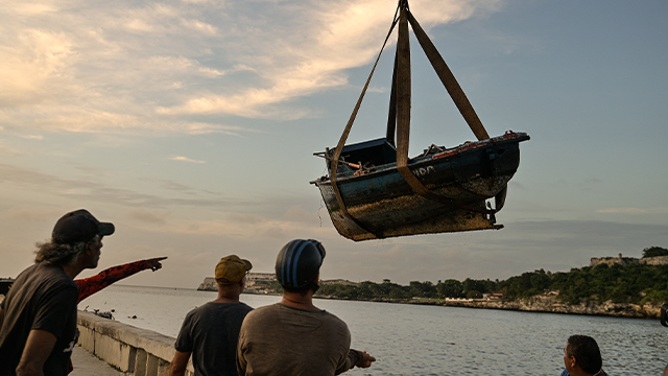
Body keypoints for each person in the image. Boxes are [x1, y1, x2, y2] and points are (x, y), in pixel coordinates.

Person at [0, 209, 115, 376]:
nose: (102, 245)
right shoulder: (63, 288)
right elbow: (29, 368)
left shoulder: (30, 273)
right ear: (88, 247)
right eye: (99, 240)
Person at [236, 239, 376, 376]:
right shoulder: (337, 330)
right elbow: (335, 364)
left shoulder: (253, 321)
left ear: (279, 277)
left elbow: (242, 368)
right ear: (315, 279)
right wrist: (357, 357)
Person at [169, 255, 254, 376]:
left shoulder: (195, 316)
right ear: (241, 282)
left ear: (217, 280)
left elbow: (176, 368)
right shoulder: (253, 318)